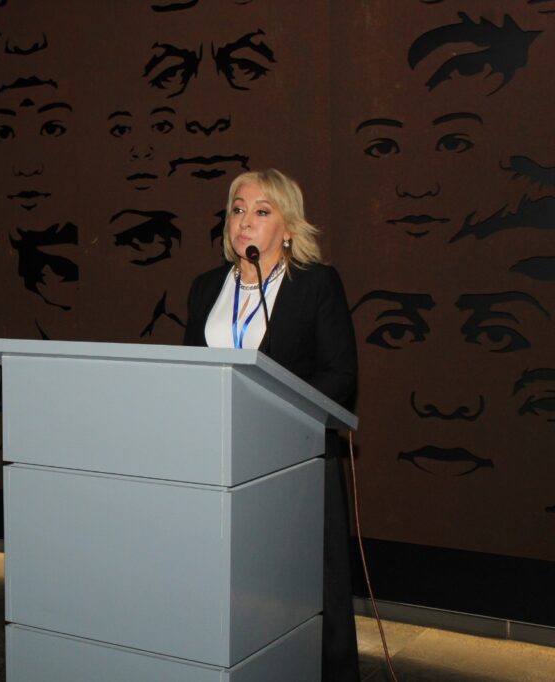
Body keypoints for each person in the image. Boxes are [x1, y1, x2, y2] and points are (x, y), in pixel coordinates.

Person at [183, 169, 359, 682]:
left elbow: (340, 375)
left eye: (262, 211)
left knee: (305, 591)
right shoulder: (205, 288)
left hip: (295, 461)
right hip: (217, 463)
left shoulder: (316, 284)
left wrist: (272, 413)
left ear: (287, 228)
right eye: (238, 209)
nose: (245, 221)